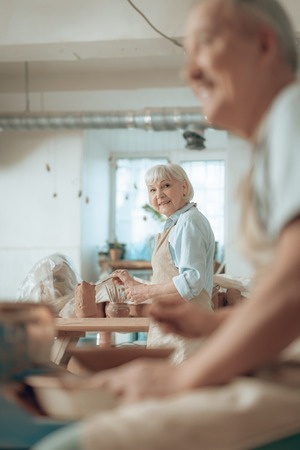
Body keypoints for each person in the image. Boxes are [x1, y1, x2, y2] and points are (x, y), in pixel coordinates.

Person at [33, 0, 300, 449]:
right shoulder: (274, 139)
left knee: (66, 445)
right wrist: (214, 329)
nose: (187, 72)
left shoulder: (291, 114)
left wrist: (179, 381)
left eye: (205, 45)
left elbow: (293, 289)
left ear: (264, 44)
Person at [112, 163, 215, 364]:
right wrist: (136, 286)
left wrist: (146, 292)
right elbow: (173, 276)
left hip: (186, 328)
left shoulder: (188, 222)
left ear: (184, 187)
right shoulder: (177, 223)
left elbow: (192, 281)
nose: (159, 194)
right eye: (152, 190)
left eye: (166, 185)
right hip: (175, 325)